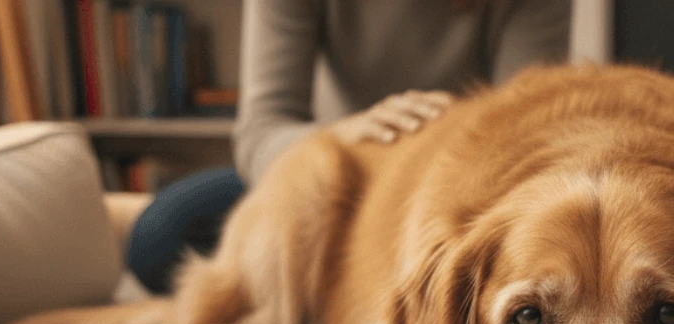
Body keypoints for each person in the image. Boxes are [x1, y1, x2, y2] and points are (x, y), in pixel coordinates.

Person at [127, 0, 571, 293]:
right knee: (157, 239)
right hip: (335, 179)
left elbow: (526, 126)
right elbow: (260, 132)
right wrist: (346, 134)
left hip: (454, 189)